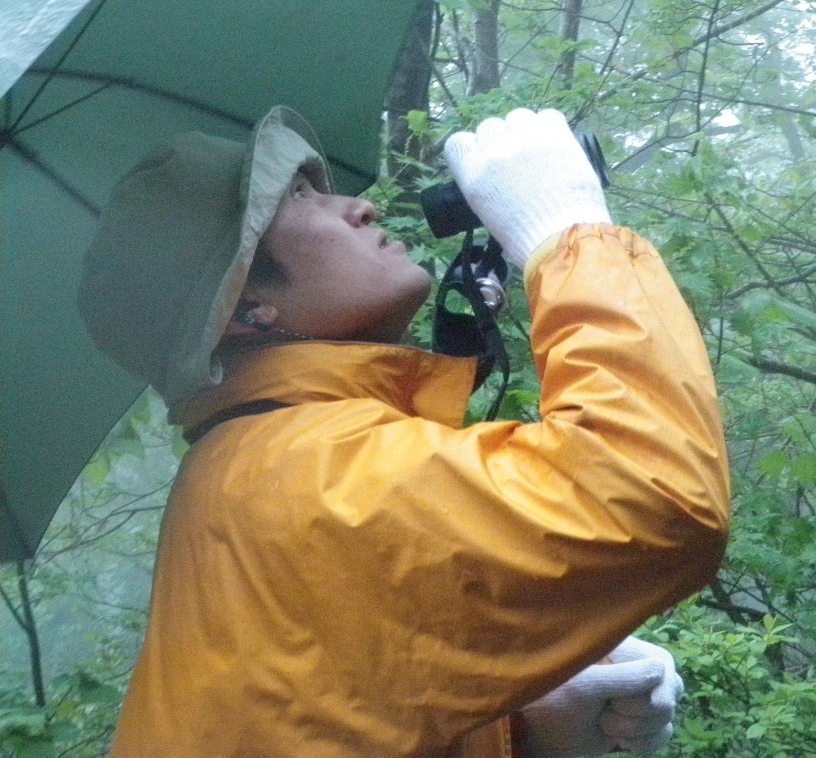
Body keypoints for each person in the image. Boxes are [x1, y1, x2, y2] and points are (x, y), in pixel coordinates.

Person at [77, 106, 730, 758]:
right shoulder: (305, 469)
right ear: (247, 306)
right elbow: (651, 494)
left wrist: (532, 722)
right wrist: (568, 229)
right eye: (300, 197)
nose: (355, 207)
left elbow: (325, 714)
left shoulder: (261, 458)